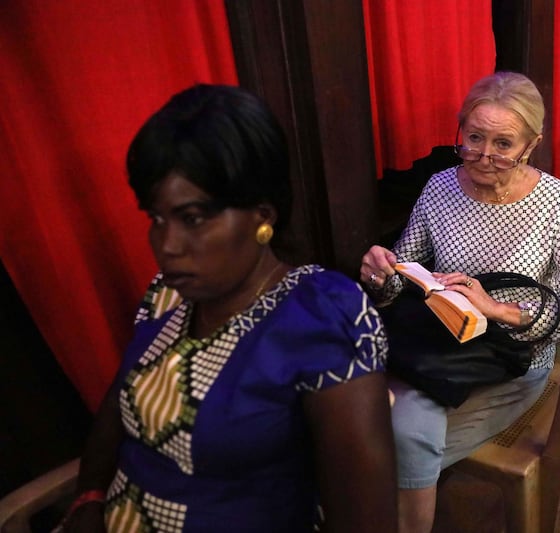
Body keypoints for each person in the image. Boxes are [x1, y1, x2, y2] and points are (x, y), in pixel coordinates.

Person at [59, 85, 398, 532]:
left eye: (193, 218)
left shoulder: (321, 318)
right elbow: (121, 402)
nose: (167, 246)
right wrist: (89, 498)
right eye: (156, 220)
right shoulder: (169, 295)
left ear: (263, 214)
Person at [361, 71, 560, 533]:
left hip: (510, 361)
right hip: (437, 350)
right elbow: (404, 274)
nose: (483, 156)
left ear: (531, 145)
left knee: (394, 440)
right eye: (474, 138)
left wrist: (500, 311)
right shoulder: (441, 187)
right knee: (372, 429)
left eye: (503, 144)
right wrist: (383, 275)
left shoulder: (552, 201)